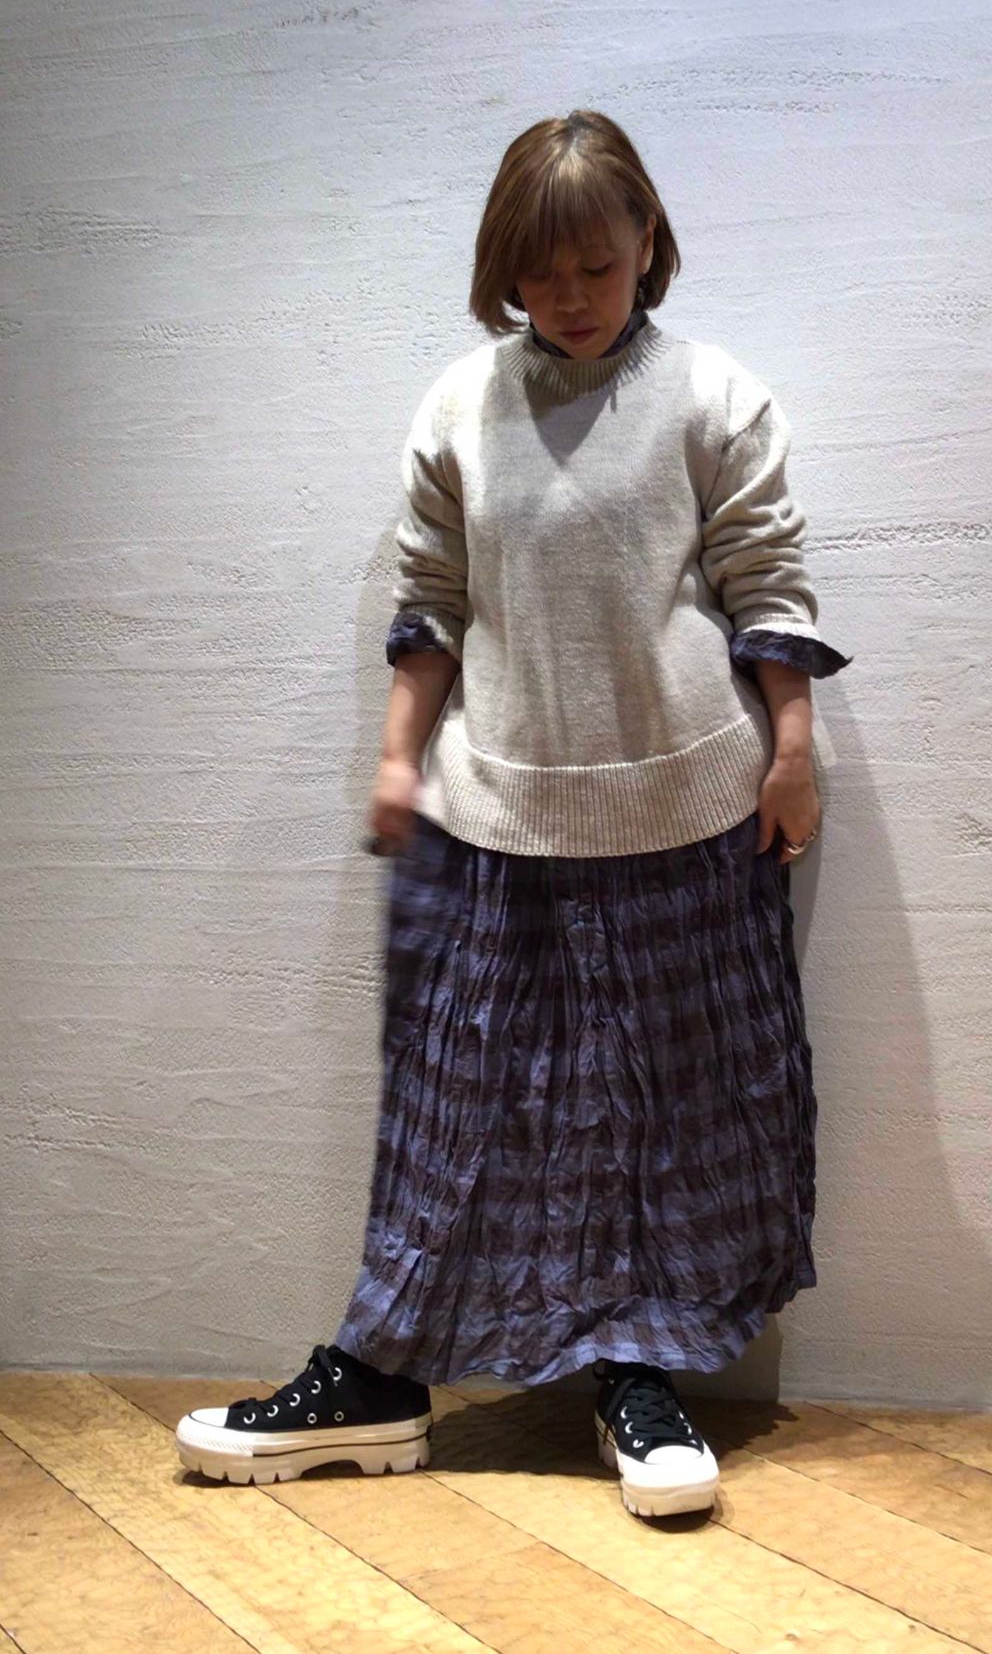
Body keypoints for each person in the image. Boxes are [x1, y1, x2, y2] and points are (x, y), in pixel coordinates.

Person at [175, 109, 851, 1520]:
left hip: (691, 812)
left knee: (676, 1113)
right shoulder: (461, 407)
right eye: (543, 273)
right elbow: (433, 600)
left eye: (598, 265)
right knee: (458, 1104)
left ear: (647, 242)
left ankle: (640, 1376)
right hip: (494, 817)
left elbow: (767, 579)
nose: (573, 296)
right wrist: (395, 760)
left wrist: (794, 749)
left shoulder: (714, 396)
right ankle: (379, 1373)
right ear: (506, 270)